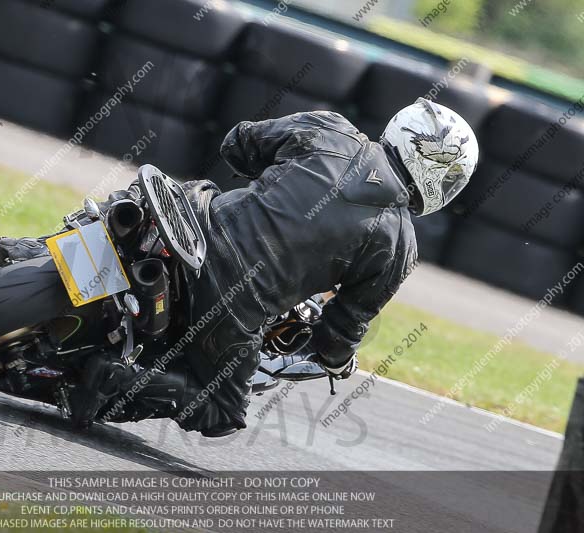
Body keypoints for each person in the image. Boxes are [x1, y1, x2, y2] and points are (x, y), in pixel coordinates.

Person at [61, 97, 479, 437]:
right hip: (234, 303)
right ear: (443, 179)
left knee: (144, 207)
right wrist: (337, 360)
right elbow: (341, 330)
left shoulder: (330, 129)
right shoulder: (399, 243)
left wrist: (279, 180)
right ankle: (113, 381)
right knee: (222, 411)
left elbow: (238, 143)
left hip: (199, 222)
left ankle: (43, 251)